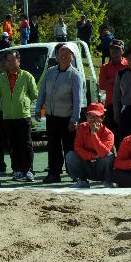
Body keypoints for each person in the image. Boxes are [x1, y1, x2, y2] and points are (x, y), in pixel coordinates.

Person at [35, 44, 81, 183]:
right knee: (53, 146)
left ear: (72, 57)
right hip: (51, 116)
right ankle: (54, 173)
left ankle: (74, 173)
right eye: (61, 52)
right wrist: (38, 109)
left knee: (69, 147)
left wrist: (75, 118)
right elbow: (42, 91)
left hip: (67, 117)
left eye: (67, 53)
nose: (63, 55)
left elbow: (77, 99)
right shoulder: (50, 71)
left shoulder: (75, 75)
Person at [0, 50, 38, 182]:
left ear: (19, 61)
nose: (11, 63)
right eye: (8, 60)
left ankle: (28, 170)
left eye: (13, 60)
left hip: (23, 115)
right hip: (8, 117)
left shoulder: (27, 76)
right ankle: (17, 170)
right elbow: (0, 95)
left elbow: (34, 94)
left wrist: (23, 103)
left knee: (26, 144)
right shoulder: (1, 78)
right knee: (12, 145)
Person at [65, 102, 115, 188]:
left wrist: (94, 134)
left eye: (96, 116)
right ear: (86, 116)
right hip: (87, 164)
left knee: (109, 156)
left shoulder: (109, 133)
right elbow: (77, 148)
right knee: (70, 155)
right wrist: (92, 156)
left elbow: (104, 153)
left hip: (101, 167)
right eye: (90, 116)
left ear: (102, 118)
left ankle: (107, 181)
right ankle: (82, 180)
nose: (93, 119)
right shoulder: (81, 127)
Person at [98, 39, 126, 130]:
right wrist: (118, 81)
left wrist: (111, 81)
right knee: (113, 131)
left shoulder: (128, 65)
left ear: (122, 51)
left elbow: (130, 85)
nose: (114, 51)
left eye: (117, 49)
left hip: (127, 103)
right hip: (111, 104)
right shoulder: (105, 67)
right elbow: (102, 86)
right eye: (112, 49)